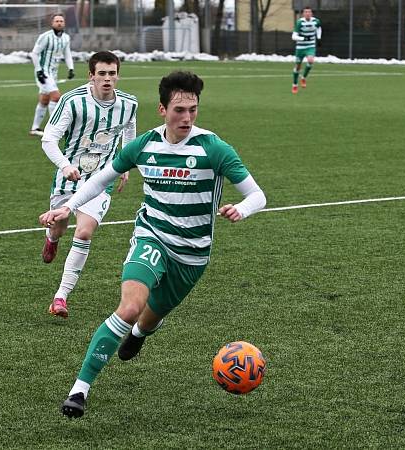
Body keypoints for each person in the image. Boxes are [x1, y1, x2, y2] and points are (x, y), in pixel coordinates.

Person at [39, 72, 267, 418]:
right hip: (151, 237)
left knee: (145, 320)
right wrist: (68, 206)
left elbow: (257, 195)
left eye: (192, 109)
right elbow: (101, 179)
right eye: (179, 109)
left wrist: (242, 208)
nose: (187, 117)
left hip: (191, 256)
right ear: (162, 110)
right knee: (129, 307)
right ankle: (79, 390)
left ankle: (141, 333)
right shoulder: (144, 145)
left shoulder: (213, 148)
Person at [41, 51, 137, 319]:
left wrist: (124, 165)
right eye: (102, 74)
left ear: (118, 75)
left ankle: (60, 297)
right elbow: (48, 139)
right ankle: (51, 239)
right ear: (91, 76)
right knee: (59, 227)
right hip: (68, 178)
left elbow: (129, 132)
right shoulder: (73, 101)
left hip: (100, 181)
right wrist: (65, 166)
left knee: (83, 233)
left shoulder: (129, 104)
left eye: (112, 73)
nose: (107, 79)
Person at [29, 12, 75, 137]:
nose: (59, 23)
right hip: (43, 72)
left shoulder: (66, 38)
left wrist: (71, 68)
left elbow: (67, 53)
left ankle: (34, 128)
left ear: (64, 23)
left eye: (61, 21)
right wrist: (38, 70)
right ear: (52, 23)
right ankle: (54, 129)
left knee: (44, 100)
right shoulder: (45, 37)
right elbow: (34, 53)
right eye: (57, 21)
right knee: (56, 97)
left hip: (53, 73)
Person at [291, 6, 322, 94]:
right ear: (303, 14)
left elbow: (319, 28)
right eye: (306, 12)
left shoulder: (316, 21)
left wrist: (319, 38)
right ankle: (294, 85)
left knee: (310, 60)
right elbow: (293, 36)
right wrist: (303, 38)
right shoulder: (300, 22)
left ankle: (303, 78)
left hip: (310, 46)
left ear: (311, 13)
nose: (307, 13)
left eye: (309, 12)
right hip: (300, 48)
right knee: (298, 67)